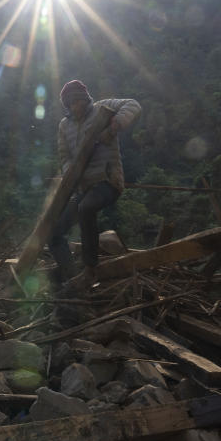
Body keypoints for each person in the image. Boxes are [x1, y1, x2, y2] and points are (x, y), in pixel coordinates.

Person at [49, 79, 141, 286]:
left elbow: (133, 104)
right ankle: (72, 276)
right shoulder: (64, 126)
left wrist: (115, 125)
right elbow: (64, 157)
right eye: (72, 103)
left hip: (108, 181)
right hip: (84, 187)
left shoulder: (102, 108)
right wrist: (70, 172)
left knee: (85, 208)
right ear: (67, 106)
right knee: (54, 232)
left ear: (86, 99)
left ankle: (90, 269)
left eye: (79, 101)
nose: (76, 106)